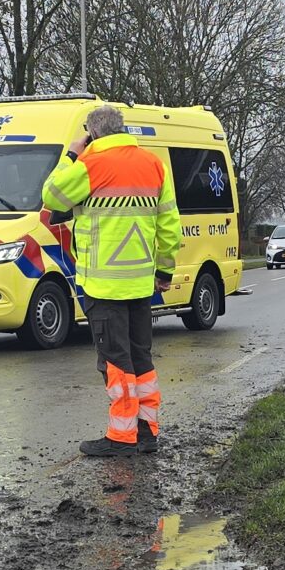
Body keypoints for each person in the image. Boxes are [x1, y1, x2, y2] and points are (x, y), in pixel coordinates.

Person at [43, 105, 182, 457]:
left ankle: (121, 437)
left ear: (93, 132)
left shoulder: (90, 165)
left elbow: (51, 197)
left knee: (116, 363)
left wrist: (72, 153)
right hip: (139, 284)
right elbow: (169, 225)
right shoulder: (153, 164)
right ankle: (147, 431)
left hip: (104, 286)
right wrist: (164, 271)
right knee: (141, 359)